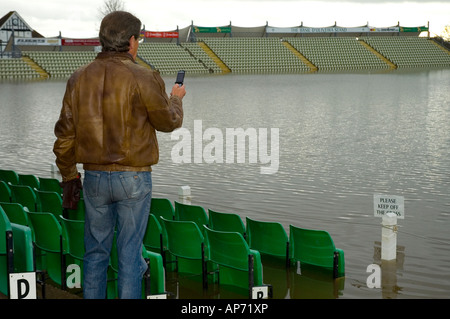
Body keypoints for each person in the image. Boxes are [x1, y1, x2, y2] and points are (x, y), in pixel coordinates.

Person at [53, 11, 185, 299]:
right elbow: (168, 121)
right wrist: (176, 97)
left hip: (94, 179)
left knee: (95, 253)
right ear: (131, 41)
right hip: (134, 179)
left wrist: (69, 176)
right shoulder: (143, 76)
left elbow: (64, 136)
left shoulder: (78, 78)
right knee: (128, 257)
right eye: (139, 38)